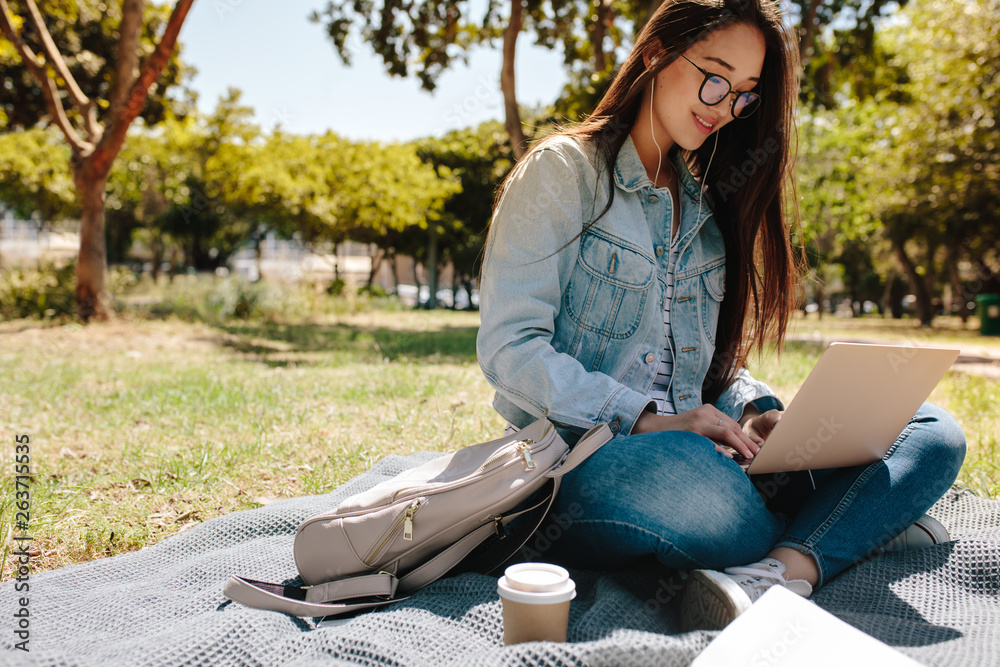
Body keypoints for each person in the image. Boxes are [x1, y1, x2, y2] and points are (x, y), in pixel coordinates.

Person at [476, 0, 966, 631]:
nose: (722, 104)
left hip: (710, 460)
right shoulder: (565, 173)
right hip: (581, 465)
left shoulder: (707, 212)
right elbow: (510, 351)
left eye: (742, 94)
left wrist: (759, 412)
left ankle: (784, 566)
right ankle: (853, 525)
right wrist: (652, 421)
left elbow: (709, 371)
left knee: (932, 429)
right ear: (656, 54)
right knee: (693, 481)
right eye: (714, 75)